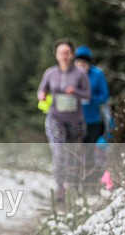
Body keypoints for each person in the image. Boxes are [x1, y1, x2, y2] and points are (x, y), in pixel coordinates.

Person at [37, 39, 91, 202]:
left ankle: (73, 188)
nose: (64, 56)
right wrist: (42, 95)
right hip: (55, 118)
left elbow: (88, 95)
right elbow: (42, 89)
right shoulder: (50, 73)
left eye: (67, 53)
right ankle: (60, 188)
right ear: (56, 55)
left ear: (72, 55)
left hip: (75, 120)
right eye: (61, 53)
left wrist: (75, 91)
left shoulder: (80, 74)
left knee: (73, 153)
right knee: (59, 151)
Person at [73, 45, 111, 188]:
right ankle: (75, 184)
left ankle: (90, 184)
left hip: (93, 120)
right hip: (74, 120)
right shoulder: (70, 75)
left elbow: (105, 95)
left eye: (84, 63)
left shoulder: (97, 75)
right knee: (75, 152)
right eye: (78, 63)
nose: (81, 66)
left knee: (89, 153)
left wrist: (91, 99)